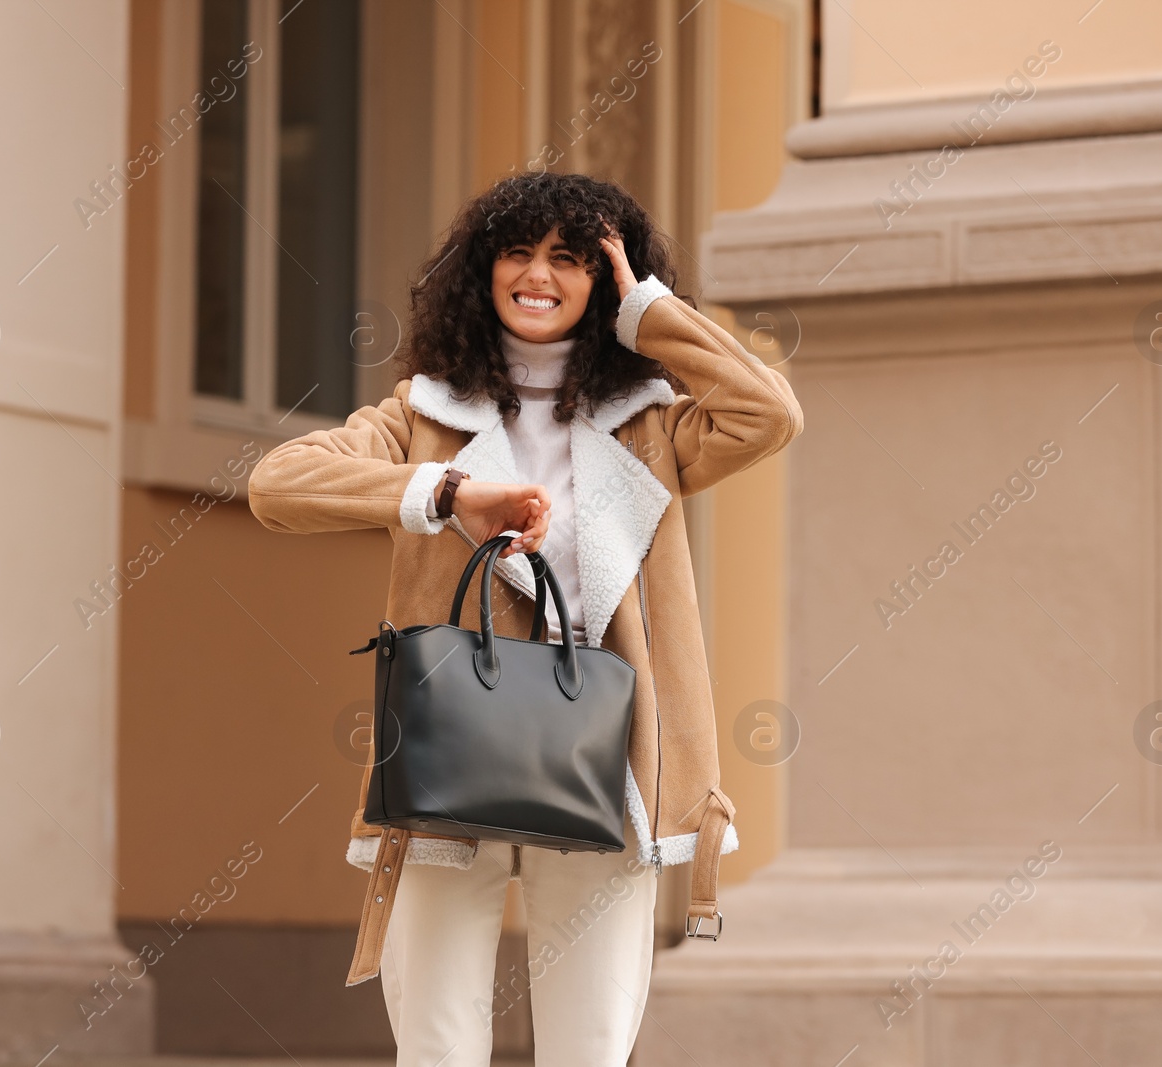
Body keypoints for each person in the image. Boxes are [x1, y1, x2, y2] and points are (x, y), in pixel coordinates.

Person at [247, 171, 804, 1066]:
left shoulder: (650, 427)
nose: (538, 275)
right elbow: (278, 486)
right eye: (518, 251)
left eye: (571, 259)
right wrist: (447, 492)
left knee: (588, 1049)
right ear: (482, 271)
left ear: (601, 282)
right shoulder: (423, 415)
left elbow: (767, 412)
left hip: (604, 758)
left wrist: (651, 314)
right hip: (446, 760)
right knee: (437, 1045)